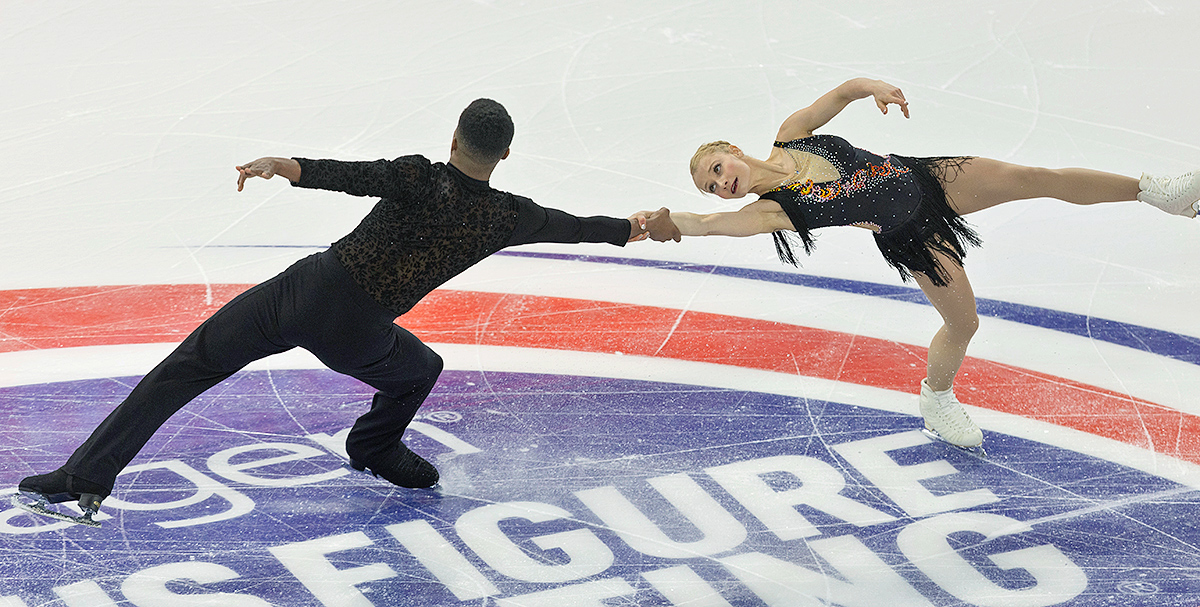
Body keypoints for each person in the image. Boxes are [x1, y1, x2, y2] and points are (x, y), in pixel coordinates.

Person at [17, 98, 677, 524]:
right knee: (419, 368)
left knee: (187, 365)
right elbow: (572, 225)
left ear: (452, 138)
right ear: (506, 154)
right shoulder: (507, 216)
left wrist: (285, 164)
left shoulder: (419, 174)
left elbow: (353, 173)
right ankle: (373, 444)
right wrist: (632, 228)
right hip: (360, 332)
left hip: (303, 291)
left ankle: (82, 478)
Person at [647, 77, 1199, 452]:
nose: (720, 183)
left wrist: (874, 89)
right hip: (911, 233)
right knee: (964, 324)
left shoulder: (791, 134)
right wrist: (675, 220)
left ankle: (1158, 193)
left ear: (734, 151)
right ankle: (936, 397)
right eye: (711, 185)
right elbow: (709, 224)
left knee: (1035, 178)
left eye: (717, 168)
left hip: (927, 177)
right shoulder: (773, 211)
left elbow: (839, 94)